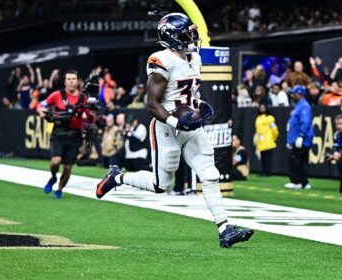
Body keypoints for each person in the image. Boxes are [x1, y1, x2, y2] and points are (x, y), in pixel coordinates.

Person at [94, 13, 253, 247]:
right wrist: (177, 123)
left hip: (190, 125)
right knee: (161, 185)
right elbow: (153, 104)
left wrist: (198, 106)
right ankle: (117, 177)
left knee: (210, 175)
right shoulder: (161, 60)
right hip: (166, 127)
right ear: (171, 37)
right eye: (186, 34)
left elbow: (190, 95)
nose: (192, 38)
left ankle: (225, 230)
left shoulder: (194, 58)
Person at [36, 69, 88, 199]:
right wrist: (41, 111)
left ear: (77, 81)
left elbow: (90, 114)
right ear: (65, 81)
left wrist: (87, 115)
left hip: (75, 135)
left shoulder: (83, 98)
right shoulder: (57, 95)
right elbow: (40, 105)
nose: (71, 81)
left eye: (74, 79)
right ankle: (53, 177)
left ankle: (59, 189)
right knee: (55, 161)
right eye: (69, 79)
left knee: (68, 167)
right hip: (58, 133)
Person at [285, 85, 314, 190]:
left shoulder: (304, 106)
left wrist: (301, 136)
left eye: (294, 94)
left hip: (302, 138)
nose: (292, 96)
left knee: (295, 159)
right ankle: (304, 182)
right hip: (297, 138)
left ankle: (296, 181)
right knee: (300, 160)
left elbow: (305, 122)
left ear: (299, 94)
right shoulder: (299, 106)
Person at [254, 104, 279, 176]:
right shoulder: (258, 118)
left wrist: (273, 138)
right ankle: (263, 170)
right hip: (260, 141)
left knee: (267, 157)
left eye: (263, 107)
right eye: (260, 107)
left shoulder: (270, 118)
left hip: (268, 140)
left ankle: (267, 171)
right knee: (262, 157)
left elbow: (274, 129)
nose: (262, 109)